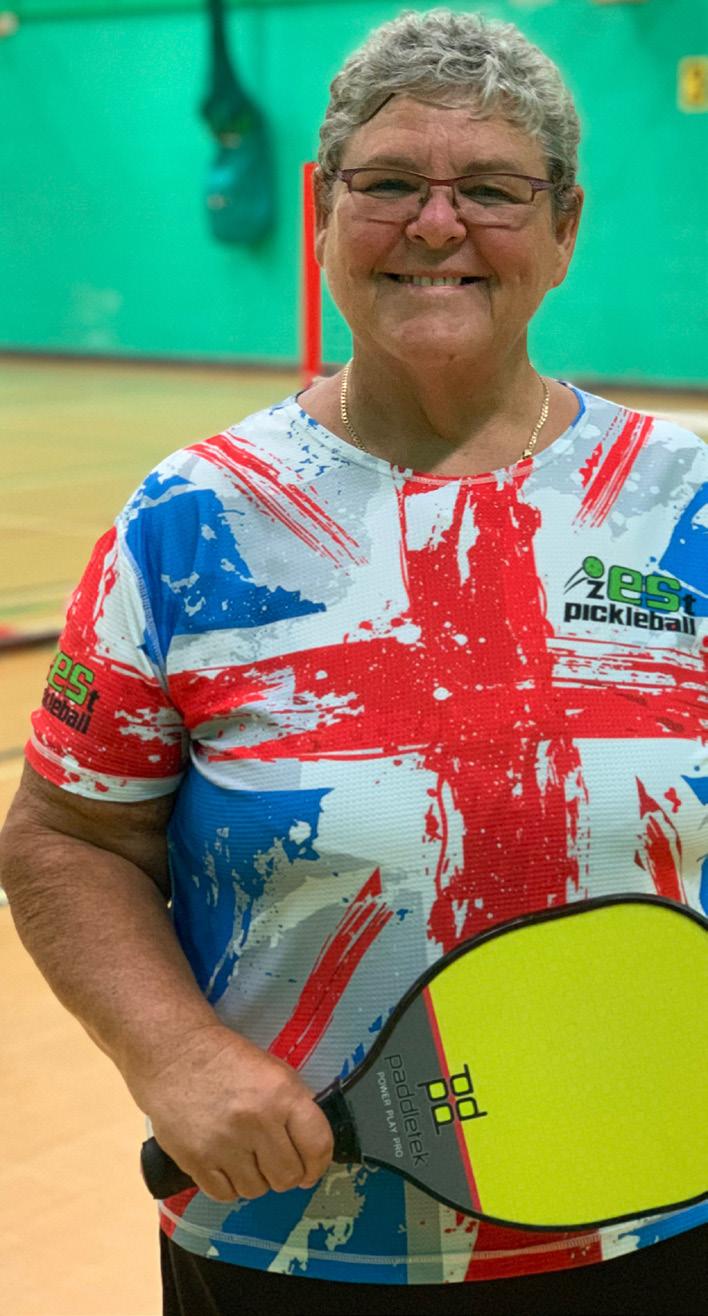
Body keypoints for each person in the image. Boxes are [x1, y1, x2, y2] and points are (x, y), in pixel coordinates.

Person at [1, 9, 706, 1315]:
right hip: (290, 1246)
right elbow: (66, 837)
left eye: (492, 188)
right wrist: (175, 1057)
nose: (437, 225)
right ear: (325, 214)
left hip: (655, 1217)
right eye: (388, 185)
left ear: (565, 227)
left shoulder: (686, 503)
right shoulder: (190, 520)